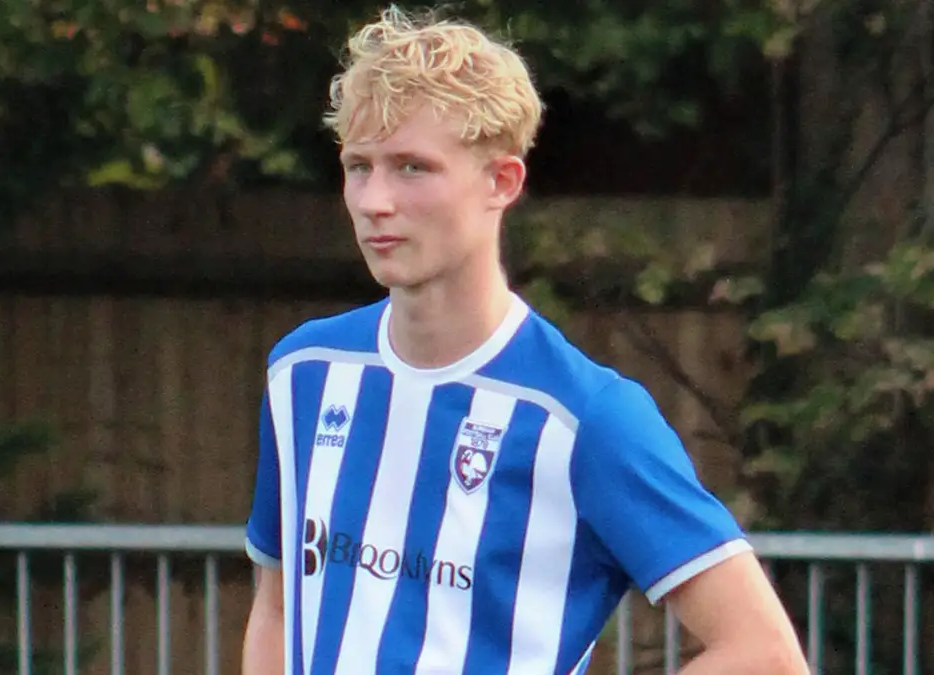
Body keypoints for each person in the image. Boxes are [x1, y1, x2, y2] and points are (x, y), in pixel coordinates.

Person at [242, 6, 808, 674]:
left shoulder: (586, 417)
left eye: (412, 167)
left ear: (501, 181)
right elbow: (278, 608)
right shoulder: (304, 372)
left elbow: (764, 653)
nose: (374, 200)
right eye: (359, 166)